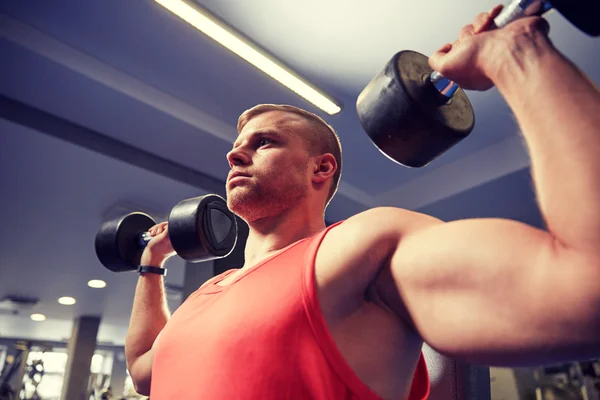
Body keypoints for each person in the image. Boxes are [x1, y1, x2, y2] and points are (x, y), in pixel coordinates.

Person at [123, 5, 600, 399]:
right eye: (237, 145)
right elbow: (145, 369)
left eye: (264, 142)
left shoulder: (358, 249)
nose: (235, 152)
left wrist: (517, 54)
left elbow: (586, 289)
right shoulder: (209, 291)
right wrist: (152, 266)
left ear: (321, 169)